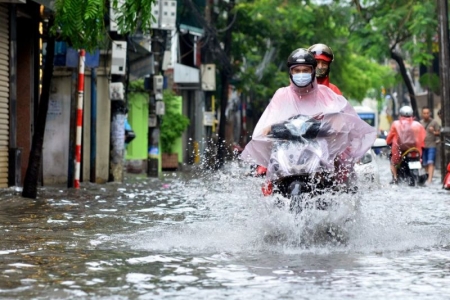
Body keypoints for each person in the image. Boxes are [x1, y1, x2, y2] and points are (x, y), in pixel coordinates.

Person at [240, 48, 376, 194]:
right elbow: (268, 123)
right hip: (288, 153)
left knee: (336, 179)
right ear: (290, 73)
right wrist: (270, 128)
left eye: (305, 70)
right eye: (297, 70)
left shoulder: (326, 94)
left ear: (312, 71)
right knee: (271, 181)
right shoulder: (281, 95)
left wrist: (334, 126)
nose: (301, 74)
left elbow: (341, 120)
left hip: (319, 154)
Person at [385, 106, 426, 185]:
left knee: (393, 162)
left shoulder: (395, 124)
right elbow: (422, 137)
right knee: (420, 160)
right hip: (414, 149)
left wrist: (387, 142)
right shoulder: (417, 125)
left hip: (399, 149)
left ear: (400, 114)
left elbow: (389, 137)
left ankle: (395, 178)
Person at [420, 106, 441, 184]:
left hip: (432, 145)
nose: (426, 115)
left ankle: (429, 179)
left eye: (427, 113)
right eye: (424, 113)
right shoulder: (420, 123)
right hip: (423, 146)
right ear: (422, 114)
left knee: (430, 162)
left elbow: (439, 133)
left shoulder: (434, 122)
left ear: (430, 113)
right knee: (425, 163)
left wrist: (433, 132)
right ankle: (427, 176)